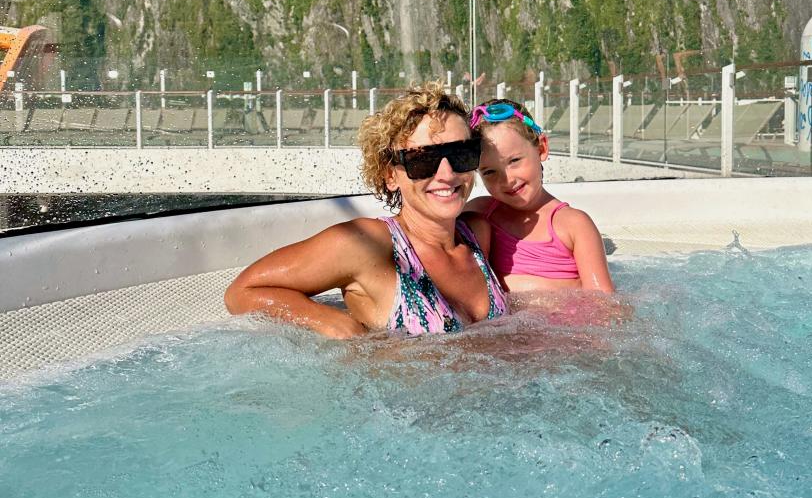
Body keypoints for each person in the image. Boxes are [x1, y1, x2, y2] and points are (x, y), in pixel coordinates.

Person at [224, 83, 507, 337]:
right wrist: (329, 321)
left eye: (461, 154)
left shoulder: (477, 233)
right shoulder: (365, 244)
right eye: (423, 161)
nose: (446, 174)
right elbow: (242, 293)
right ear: (390, 176)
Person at [464, 98, 615, 294]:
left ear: (542, 148)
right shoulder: (479, 214)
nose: (507, 179)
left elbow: (605, 305)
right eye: (489, 172)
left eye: (515, 161)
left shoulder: (574, 225)